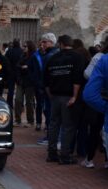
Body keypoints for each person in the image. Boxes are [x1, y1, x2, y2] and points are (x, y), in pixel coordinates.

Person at [45, 35, 84, 164]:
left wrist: (51, 96)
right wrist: (74, 96)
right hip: (68, 96)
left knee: (53, 125)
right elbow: (77, 79)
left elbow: (46, 81)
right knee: (68, 127)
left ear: (60, 44)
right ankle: (65, 155)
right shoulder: (77, 57)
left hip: (55, 96)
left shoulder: (52, 58)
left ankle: (52, 153)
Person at [81, 37, 108, 168]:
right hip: (101, 101)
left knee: (95, 130)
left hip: (100, 101)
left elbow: (87, 75)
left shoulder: (101, 59)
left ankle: (89, 159)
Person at [14, 41, 36, 127]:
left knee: (29, 102)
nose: (24, 48)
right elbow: (17, 66)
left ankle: (30, 121)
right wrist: (22, 68)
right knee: (18, 100)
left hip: (29, 82)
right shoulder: (22, 56)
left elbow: (34, 69)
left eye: (25, 46)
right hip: (21, 81)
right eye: (23, 46)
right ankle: (17, 119)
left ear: (30, 47)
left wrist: (27, 67)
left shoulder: (33, 57)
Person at [5, 38, 23, 108]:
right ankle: (20, 105)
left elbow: (6, 62)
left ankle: (9, 104)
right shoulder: (21, 51)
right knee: (20, 91)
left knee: (11, 90)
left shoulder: (9, 51)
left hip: (11, 73)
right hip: (19, 73)